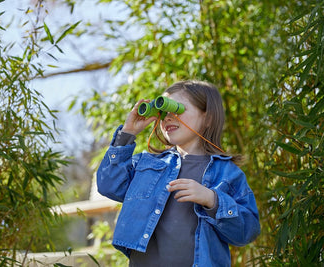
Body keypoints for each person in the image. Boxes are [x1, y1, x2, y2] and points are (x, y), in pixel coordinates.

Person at [96, 80, 260, 267]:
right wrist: (126, 134)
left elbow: (247, 231)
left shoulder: (227, 173)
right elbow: (108, 185)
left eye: (177, 109)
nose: (168, 118)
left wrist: (212, 199)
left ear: (208, 118)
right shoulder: (146, 165)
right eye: (163, 112)